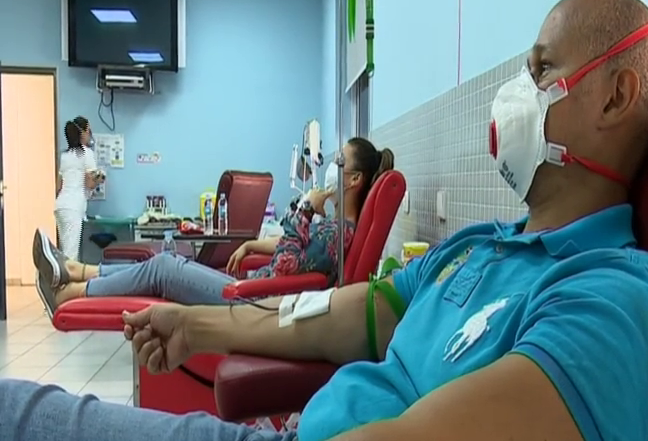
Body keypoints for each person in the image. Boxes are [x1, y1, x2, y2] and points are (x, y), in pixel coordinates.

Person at [2, 0, 648, 441]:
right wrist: (204, 328)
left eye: (542, 71)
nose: (517, 95)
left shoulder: (609, 299)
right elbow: (342, 312)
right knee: (12, 411)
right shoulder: (481, 246)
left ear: (615, 95)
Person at [33, 138, 395, 314]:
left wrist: (304, 211)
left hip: (256, 302)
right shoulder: (335, 229)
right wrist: (253, 245)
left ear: (353, 179)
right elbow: (297, 252)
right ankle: (77, 270)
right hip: (256, 290)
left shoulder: (339, 235)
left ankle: (70, 292)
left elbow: (288, 267)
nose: (331, 165)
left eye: (338, 161)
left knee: (164, 267)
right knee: (168, 265)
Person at [53, 116, 102, 261]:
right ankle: (66, 283)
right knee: (71, 254)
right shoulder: (87, 154)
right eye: (89, 130)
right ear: (85, 132)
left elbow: (58, 186)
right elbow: (89, 184)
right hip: (73, 208)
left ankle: (64, 281)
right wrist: (100, 179)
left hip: (60, 206)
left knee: (65, 250)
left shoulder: (65, 155)